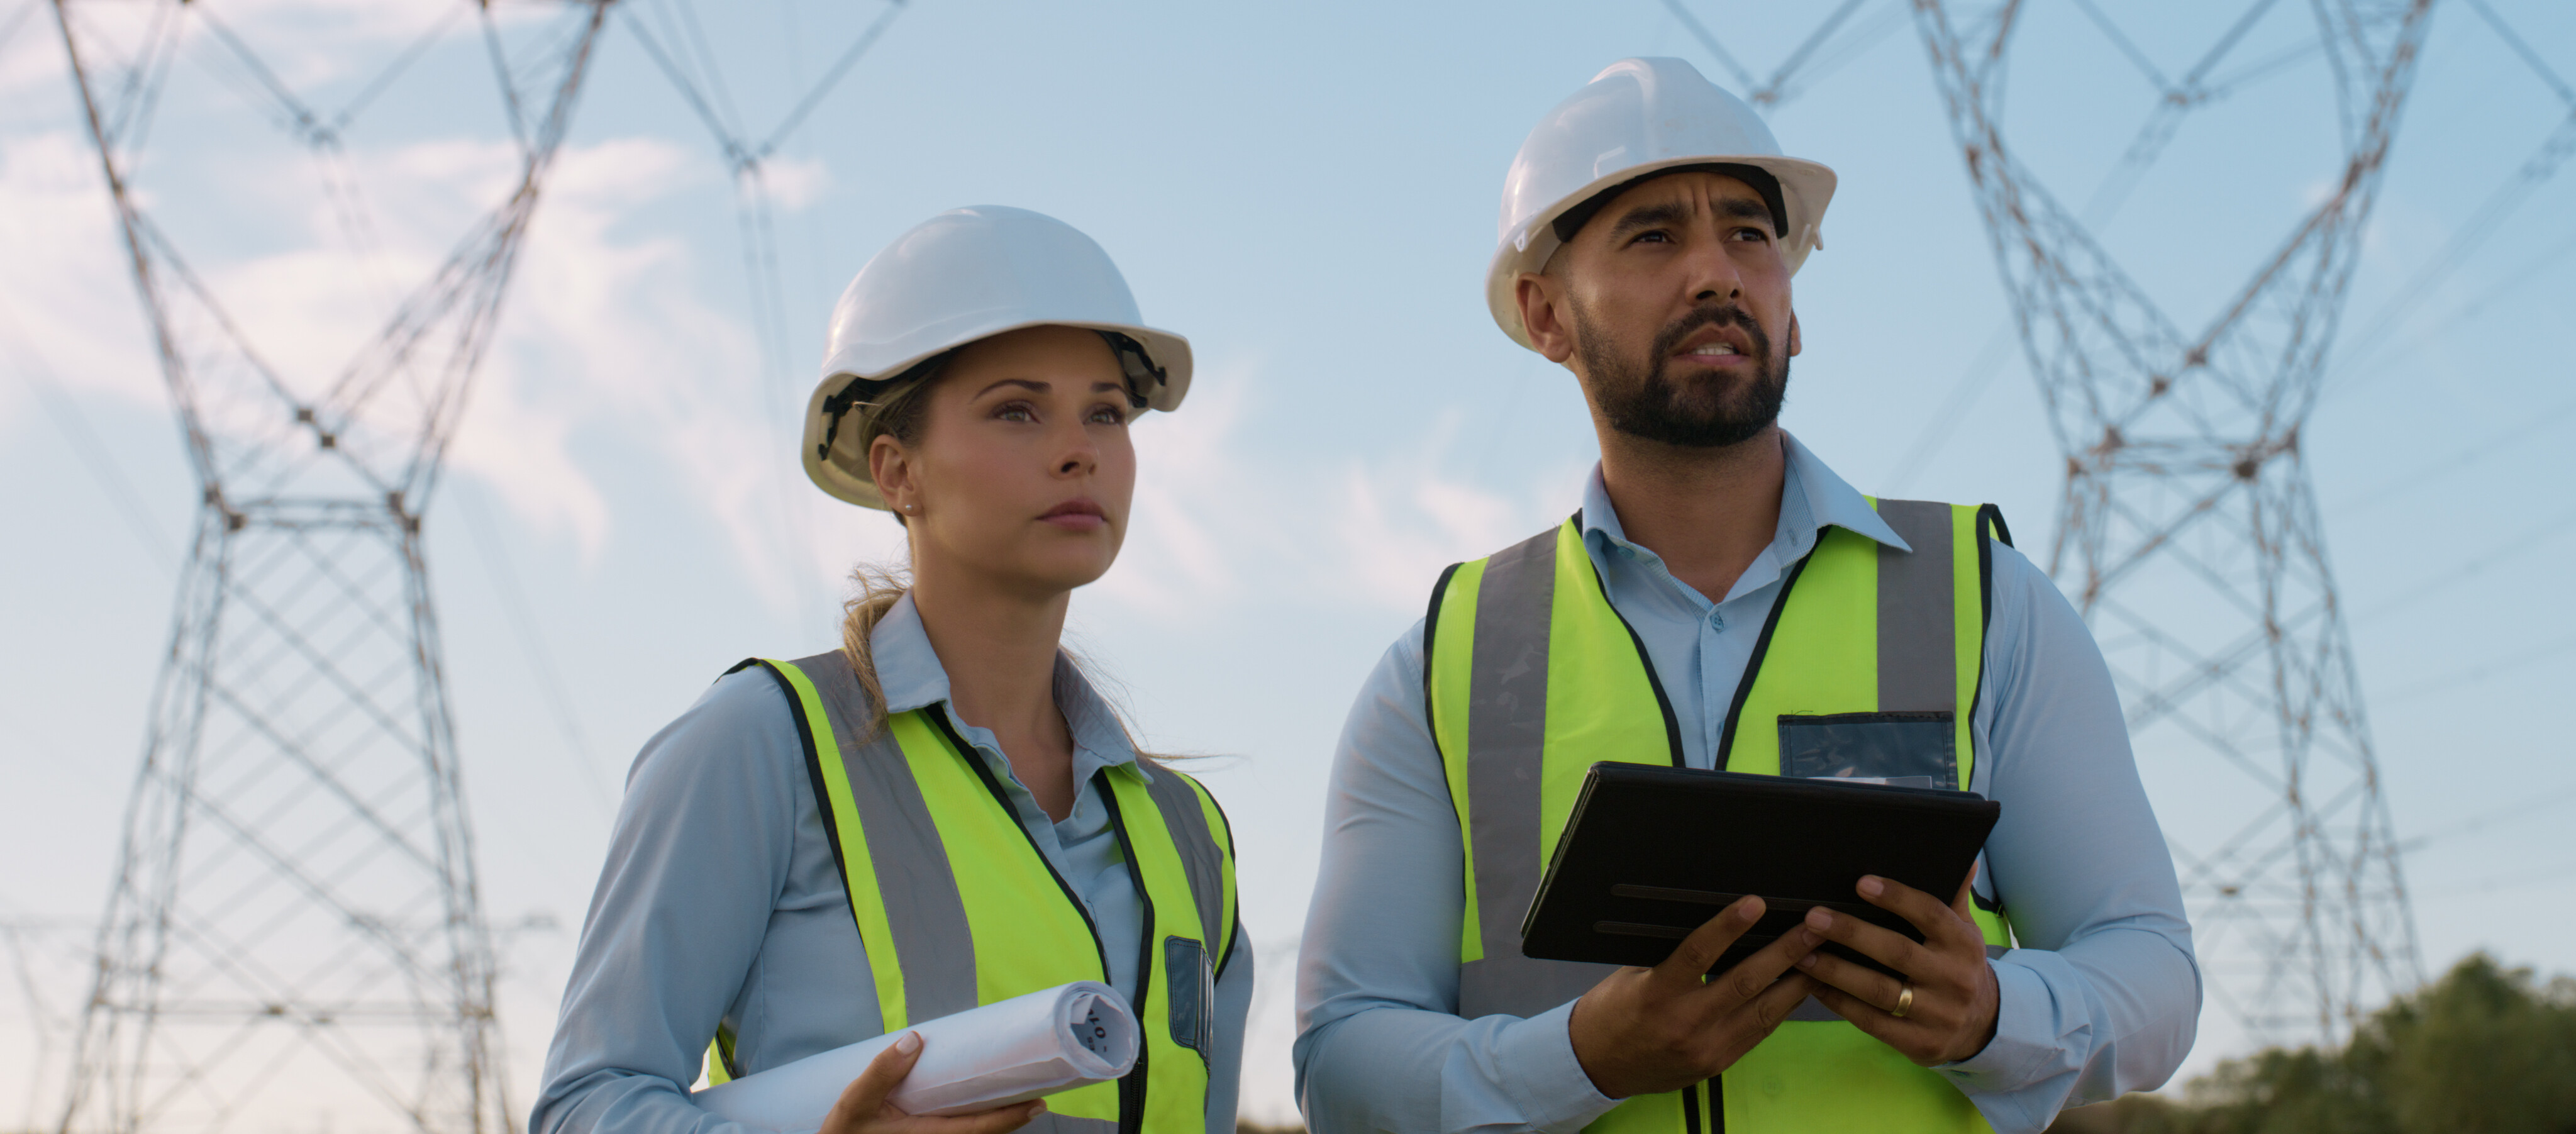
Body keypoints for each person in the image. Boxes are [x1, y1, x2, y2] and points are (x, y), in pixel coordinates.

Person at [1293, 58, 2197, 1134]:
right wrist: (1582, 1059)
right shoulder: (1448, 663)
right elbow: (1342, 1060)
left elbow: (2152, 974)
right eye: (1653, 237)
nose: (1716, 274)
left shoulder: (1987, 601)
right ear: (1546, 315)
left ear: (1791, 309)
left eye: (1750, 236)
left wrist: (1994, 1015)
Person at [533, 206, 1250, 1134]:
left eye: (1106, 412)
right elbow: (586, 1105)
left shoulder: (1189, 833)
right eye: (1017, 410)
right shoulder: (761, 744)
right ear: (896, 471)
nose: (1081, 450)